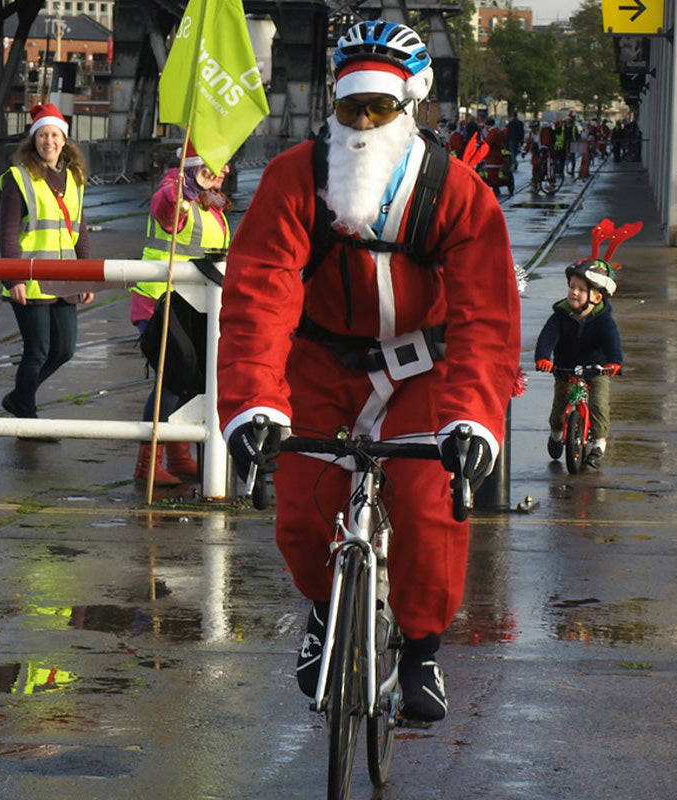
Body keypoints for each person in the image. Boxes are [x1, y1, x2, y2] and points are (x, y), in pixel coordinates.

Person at [216, 20, 520, 723]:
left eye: (380, 108)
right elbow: (259, 294)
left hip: (424, 369)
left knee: (426, 508)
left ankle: (421, 653)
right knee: (298, 507)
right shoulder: (296, 178)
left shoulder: (458, 190)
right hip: (321, 363)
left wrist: (473, 415)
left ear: (412, 104)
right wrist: (254, 403)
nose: (362, 123)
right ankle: (325, 613)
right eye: (350, 107)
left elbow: (486, 314)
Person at [131, 141, 231, 485]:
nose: (227, 170)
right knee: (173, 381)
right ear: (194, 166)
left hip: (193, 307)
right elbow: (168, 213)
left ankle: (177, 455)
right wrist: (192, 186)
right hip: (162, 301)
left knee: (193, 381)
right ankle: (148, 462)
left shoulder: (211, 204)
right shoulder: (174, 188)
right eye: (219, 162)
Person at [0, 102, 93, 427]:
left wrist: (87, 276)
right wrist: (13, 280)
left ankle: (20, 398)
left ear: (64, 140)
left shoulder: (75, 178)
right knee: (37, 350)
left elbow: (79, 230)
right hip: (31, 279)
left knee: (64, 349)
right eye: (42, 135)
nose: (48, 141)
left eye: (54, 134)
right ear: (34, 140)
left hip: (66, 280)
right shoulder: (19, 178)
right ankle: (27, 418)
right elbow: (8, 233)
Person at [534, 257, 625, 470]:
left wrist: (615, 362)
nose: (574, 292)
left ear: (597, 297)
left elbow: (612, 341)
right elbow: (547, 337)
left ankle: (598, 445)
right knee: (559, 409)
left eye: (581, 289)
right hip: (565, 367)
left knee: (598, 404)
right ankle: (556, 435)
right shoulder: (560, 315)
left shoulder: (603, 319)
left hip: (596, 368)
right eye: (571, 287)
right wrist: (543, 358)